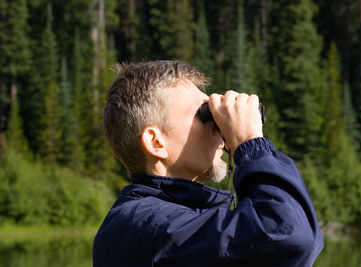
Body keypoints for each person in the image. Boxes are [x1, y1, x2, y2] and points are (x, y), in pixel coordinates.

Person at [93, 60, 324, 266]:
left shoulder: (172, 221)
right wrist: (250, 144)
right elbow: (288, 234)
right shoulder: (145, 227)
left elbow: (302, 241)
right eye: (204, 115)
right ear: (156, 142)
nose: (218, 126)